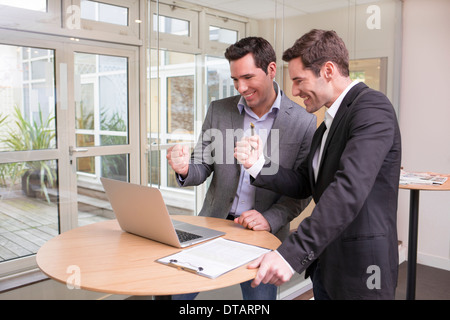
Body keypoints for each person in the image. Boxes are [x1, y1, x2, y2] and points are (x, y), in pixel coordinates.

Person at [235, 29, 402, 300]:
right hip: (326, 265)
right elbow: (303, 183)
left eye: (299, 80)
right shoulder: (325, 127)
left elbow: (348, 190)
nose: (294, 91)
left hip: (362, 270)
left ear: (327, 70)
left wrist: (290, 255)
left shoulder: (372, 107)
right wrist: (257, 165)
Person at [167, 36, 316, 300]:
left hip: (263, 234)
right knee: (177, 293)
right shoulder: (219, 110)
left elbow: (302, 188)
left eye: (247, 77)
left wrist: (271, 218)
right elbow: (201, 165)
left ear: (271, 70)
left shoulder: (303, 122)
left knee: (259, 302)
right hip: (212, 223)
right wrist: (184, 168)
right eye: (235, 79)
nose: (241, 87)